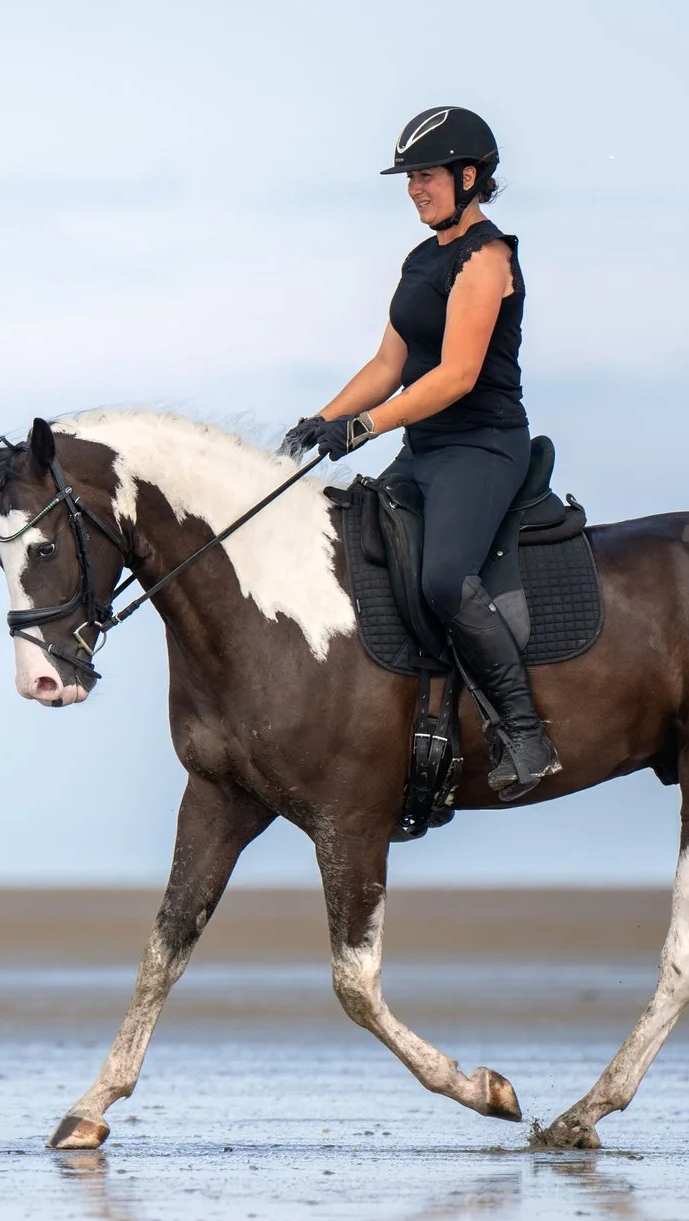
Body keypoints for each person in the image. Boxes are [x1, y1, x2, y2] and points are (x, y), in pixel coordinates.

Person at [284, 106, 559, 801]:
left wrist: (364, 428)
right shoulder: (421, 259)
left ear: (469, 177)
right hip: (425, 447)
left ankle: (525, 733)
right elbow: (388, 361)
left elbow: (457, 375)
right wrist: (325, 418)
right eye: (410, 178)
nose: (414, 189)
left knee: (443, 580)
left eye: (426, 176)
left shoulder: (489, 258)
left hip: (483, 447)